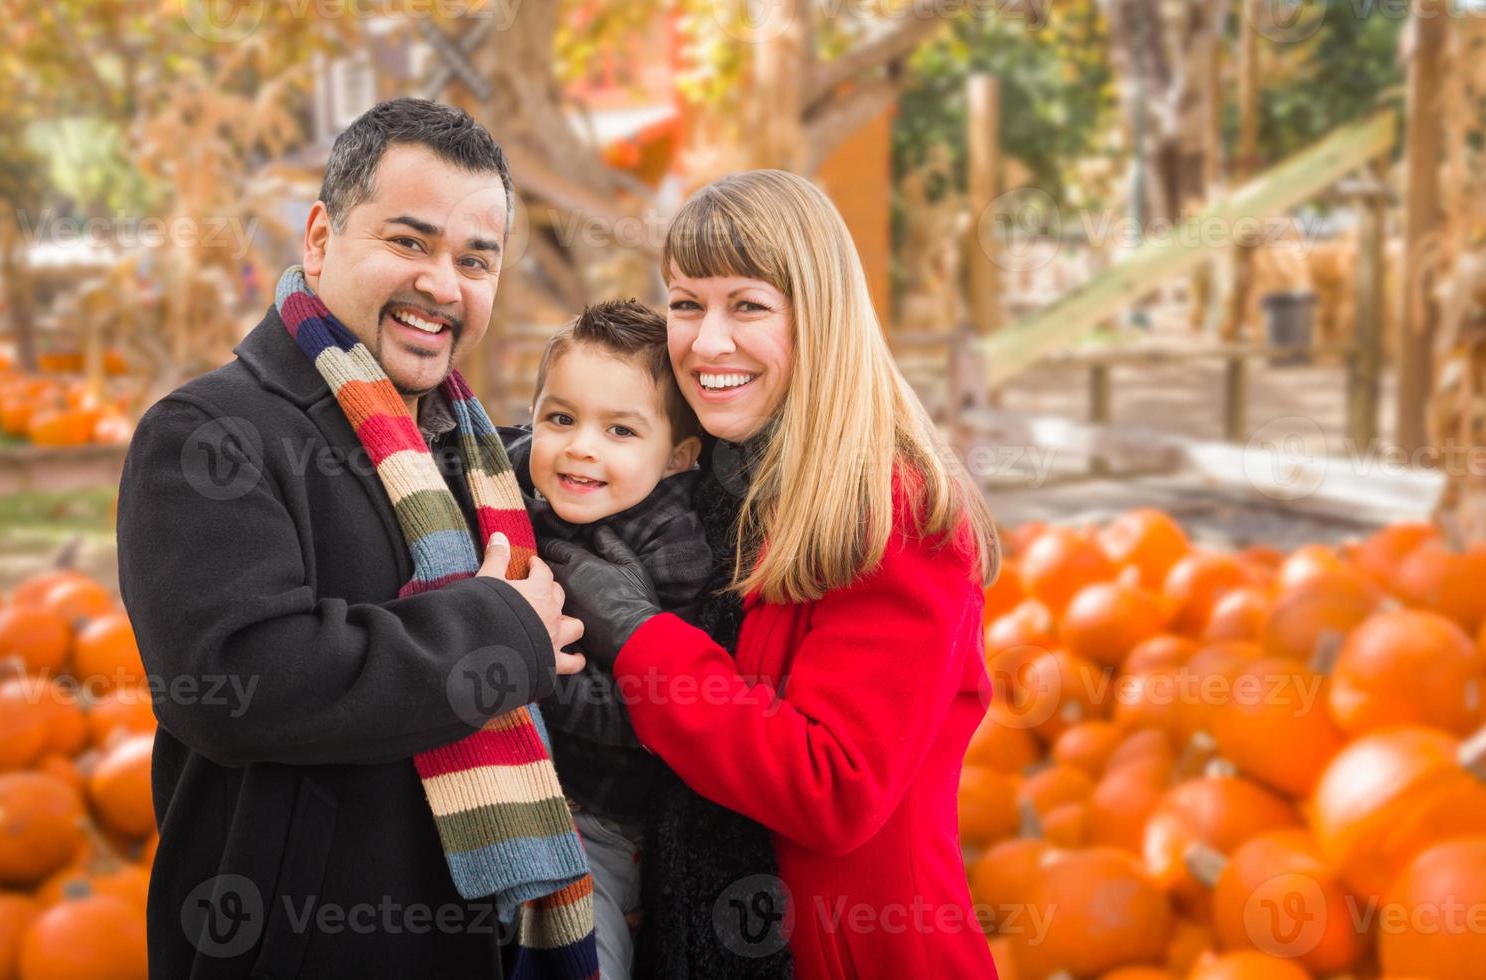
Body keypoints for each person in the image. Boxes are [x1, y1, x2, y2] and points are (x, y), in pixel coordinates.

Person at [115, 98, 596, 978]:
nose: (443, 286)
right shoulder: (209, 435)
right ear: (320, 239)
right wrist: (498, 631)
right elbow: (238, 679)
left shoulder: (482, 459)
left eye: (474, 260)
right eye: (408, 243)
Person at [542, 169, 1004, 979]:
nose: (706, 342)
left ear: (818, 317)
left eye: (747, 305)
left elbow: (833, 786)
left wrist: (638, 635)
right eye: (685, 303)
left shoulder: (893, 512)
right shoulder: (705, 478)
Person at [499, 299, 707, 979]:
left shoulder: (673, 547)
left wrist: (531, 668)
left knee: (580, 950)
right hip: (507, 786)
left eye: (620, 430)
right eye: (561, 418)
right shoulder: (515, 481)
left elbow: (646, 716)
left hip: (599, 815)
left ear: (677, 457)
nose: (581, 446)